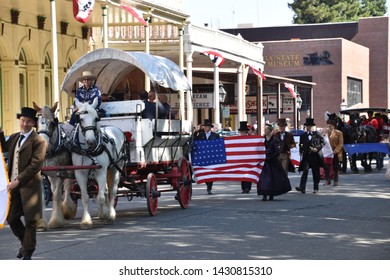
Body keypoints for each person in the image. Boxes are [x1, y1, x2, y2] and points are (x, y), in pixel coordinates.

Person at [0, 107, 46, 260]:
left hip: (30, 188)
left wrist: (18, 180)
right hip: (14, 187)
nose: (25, 124)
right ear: (19, 121)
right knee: (12, 219)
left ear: (33, 123)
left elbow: (36, 165)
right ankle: (25, 244)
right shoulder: (14, 137)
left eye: (28, 121)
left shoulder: (39, 140)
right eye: (23, 121)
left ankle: (27, 253)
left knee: (30, 222)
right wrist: (0, 133)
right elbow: (4, 148)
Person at [257, 124, 292, 201]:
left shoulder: (274, 139)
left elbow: (277, 150)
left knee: (273, 178)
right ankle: (264, 194)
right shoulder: (262, 139)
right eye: (264, 129)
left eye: (266, 129)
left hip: (272, 161)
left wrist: (271, 156)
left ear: (270, 130)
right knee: (263, 178)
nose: (265, 131)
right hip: (264, 161)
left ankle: (271, 194)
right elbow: (258, 148)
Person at [296, 118, 325, 194]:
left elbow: (323, 143)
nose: (309, 127)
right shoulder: (303, 135)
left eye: (310, 126)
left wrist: (317, 148)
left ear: (313, 126)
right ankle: (302, 187)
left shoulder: (317, 134)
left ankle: (316, 187)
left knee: (315, 172)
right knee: (305, 170)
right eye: (308, 126)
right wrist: (301, 150)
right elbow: (301, 144)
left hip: (315, 156)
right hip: (306, 156)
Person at [193, 119, 220, 194]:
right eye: (204, 126)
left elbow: (219, 145)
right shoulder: (200, 135)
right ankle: (207, 183)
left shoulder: (215, 135)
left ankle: (209, 186)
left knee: (210, 172)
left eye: (207, 126)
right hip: (203, 157)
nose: (205, 128)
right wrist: (196, 132)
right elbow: (194, 140)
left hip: (212, 157)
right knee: (204, 171)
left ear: (210, 127)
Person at [324, 119, 344, 186]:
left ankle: (336, 181)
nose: (330, 127)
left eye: (331, 125)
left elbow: (341, 143)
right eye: (329, 125)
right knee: (326, 167)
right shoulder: (326, 132)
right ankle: (327, 180)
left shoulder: (339, 133)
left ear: (334, 126)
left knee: (336, 167)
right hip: (328, 153)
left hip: (336, 152)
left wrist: (336, 151)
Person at [238, 121, 252, 193]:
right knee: (242, 174)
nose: (243, 133)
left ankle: (248, 188)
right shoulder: (238, 139)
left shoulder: (251, 139)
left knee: (248, 173)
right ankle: (243, 188)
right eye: (242, 132)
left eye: (244, 131)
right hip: (241, 159)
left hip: (249, 159)